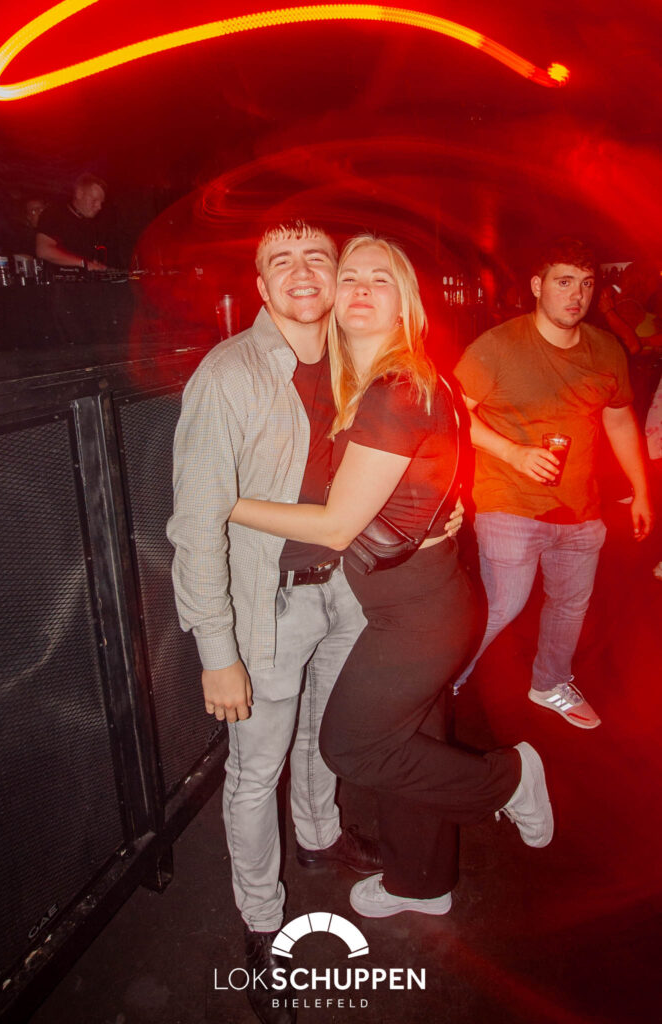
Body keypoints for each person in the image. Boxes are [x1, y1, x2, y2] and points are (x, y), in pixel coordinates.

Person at [229, 234, 553, 924]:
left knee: (351, 746)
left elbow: (336, 525)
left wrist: (225, 502)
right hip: (420, 595)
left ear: (405, 302)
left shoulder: (395, 389)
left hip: (416, 612)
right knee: (413, 743)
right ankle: (421, 881)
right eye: (350, 276)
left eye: (380, 278)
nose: (360, 288)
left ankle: (509, 779)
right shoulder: (383, 382)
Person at [168, 221, 383, 1024]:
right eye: (280, 261)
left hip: (345, 592)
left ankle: (319, 836)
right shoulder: (228, 374)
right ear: (260, 287)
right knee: (255, 772)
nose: (301, 271)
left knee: (322, 733)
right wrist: (215, 649)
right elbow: (195, 523)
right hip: (269, 605)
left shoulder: (360, 361)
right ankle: (262, 923)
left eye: (316, 257)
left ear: (336, 276)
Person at [453, 237, 653, 727]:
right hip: (508, 499)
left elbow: (620, 420)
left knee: (569, 606)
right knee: (503, 605)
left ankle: (549, 683)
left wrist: (642, 490)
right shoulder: (498, 346)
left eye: (586, 284)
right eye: (564, 282)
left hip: (580, 507)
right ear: (538, 286)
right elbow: (454, 415)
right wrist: (513, 453)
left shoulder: (605, 349)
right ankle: (442, 683)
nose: (576, 295)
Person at [36, 173, 109, 270]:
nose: (99, 207)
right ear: (79, 194)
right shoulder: (55, 214)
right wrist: (84, 263)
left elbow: (86, 259)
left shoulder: (91, 225)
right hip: (58, 278)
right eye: (94, 200)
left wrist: (96, 265)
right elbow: (44, 251)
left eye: (101, 202)